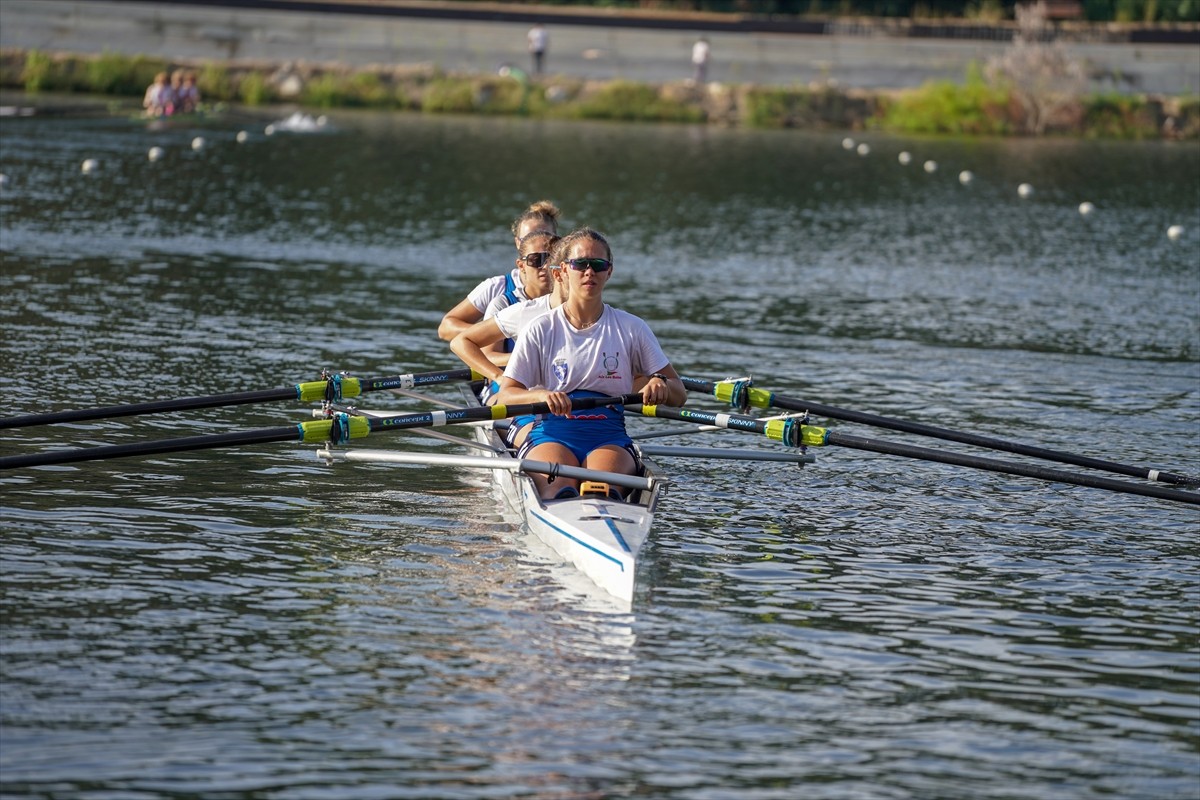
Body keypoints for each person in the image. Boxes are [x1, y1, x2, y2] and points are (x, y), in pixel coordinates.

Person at [492, 228, 687, 500]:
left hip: (608, 435)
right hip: (552, 432)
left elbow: (679, 394)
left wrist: (661, 384)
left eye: (598, 265)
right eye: (580, 264)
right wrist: (542, 395)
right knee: (558, 491)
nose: (589, 272)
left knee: (603, 495)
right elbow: (506, 395)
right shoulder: (540, 328)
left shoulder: (633, 328)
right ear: (562, 271)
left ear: (609, 272)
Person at [451, 231, 566, 446]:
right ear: (521, 265)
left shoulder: (578, 309)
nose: (544, 266)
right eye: (536, 259)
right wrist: (507, 371)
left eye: (550, 258)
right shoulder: (507, 305)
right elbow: (484, 353)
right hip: (510, 387)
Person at [437, 200, 561, 342]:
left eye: (545, 235)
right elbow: (445, 328)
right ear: (517, 243)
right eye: (529, 237)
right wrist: (495, 331)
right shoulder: (497, 288)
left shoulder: (568, 288)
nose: (537, 241)